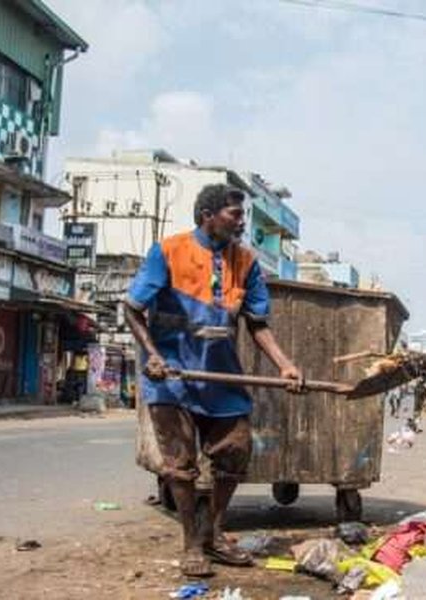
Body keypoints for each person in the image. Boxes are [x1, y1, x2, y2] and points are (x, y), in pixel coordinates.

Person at [124, 184, 302, 577]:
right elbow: (133, 308)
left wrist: (285, 365)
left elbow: (257, 324)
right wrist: (152, 357)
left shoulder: (246, 262)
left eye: (242, 215)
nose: (241, 222)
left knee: (235, 451)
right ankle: (192, 545)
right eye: (234, 214)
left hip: (221, 377)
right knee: (180, 466)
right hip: (172, 377)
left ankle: (213, 532)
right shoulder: (167, 251)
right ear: (208, 215)